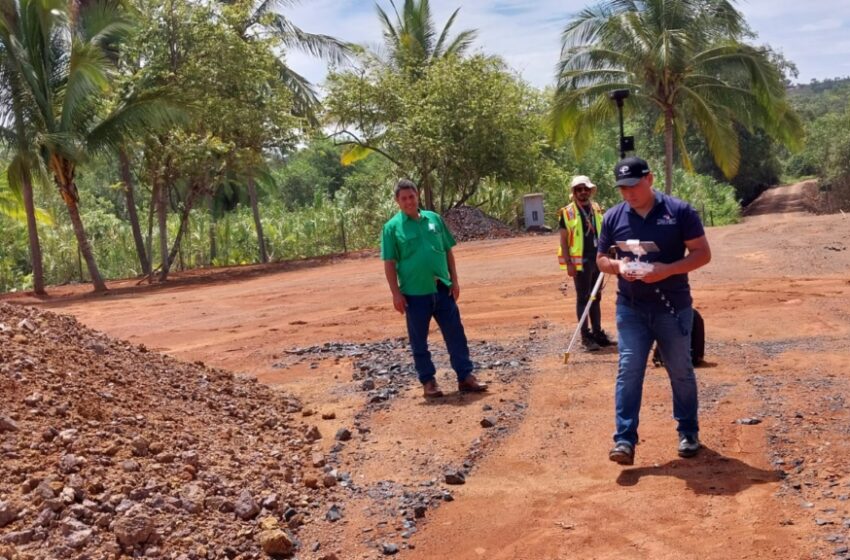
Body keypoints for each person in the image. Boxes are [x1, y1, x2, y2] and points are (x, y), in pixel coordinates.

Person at [596, 157, 711, 465]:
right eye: (622, 188)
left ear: (650, 179)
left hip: (671, 307)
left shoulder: (679, 212)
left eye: (633, 186)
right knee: (629, 368)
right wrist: (618, 266)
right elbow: (601, 260)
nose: (629, 194)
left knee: (680, 370)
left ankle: (688, 431)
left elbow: (702, 253)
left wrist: (668, 270)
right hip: (631, 308)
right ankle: (624, 440)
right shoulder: (612, 217)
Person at [381, 179, 488, 399]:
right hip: (414, 294)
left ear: (417, 196)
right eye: (404, 199)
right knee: (419, 341)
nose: (409, 201)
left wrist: (455, 280)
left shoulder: (434, 219)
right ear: (397, 202)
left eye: (412, 196)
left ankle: (465, 377)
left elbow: (448, 251)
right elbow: (389, 263)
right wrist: (395, 293)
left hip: (442, 289)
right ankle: (428, 382)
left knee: (456, 335)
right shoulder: (392, 228)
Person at [558, 175, 613, 351]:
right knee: (583, 298)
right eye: (579, 189)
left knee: (596, 297)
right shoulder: (567, 213)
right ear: (574, 192)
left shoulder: (596, 209)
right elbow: (564, 241)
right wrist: (569, 263)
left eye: (586, 189)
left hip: (597, 258)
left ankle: (597, 333)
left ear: (590, 191)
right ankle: (585, 336)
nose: (583, 192)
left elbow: (603, 232)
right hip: (580, 261)